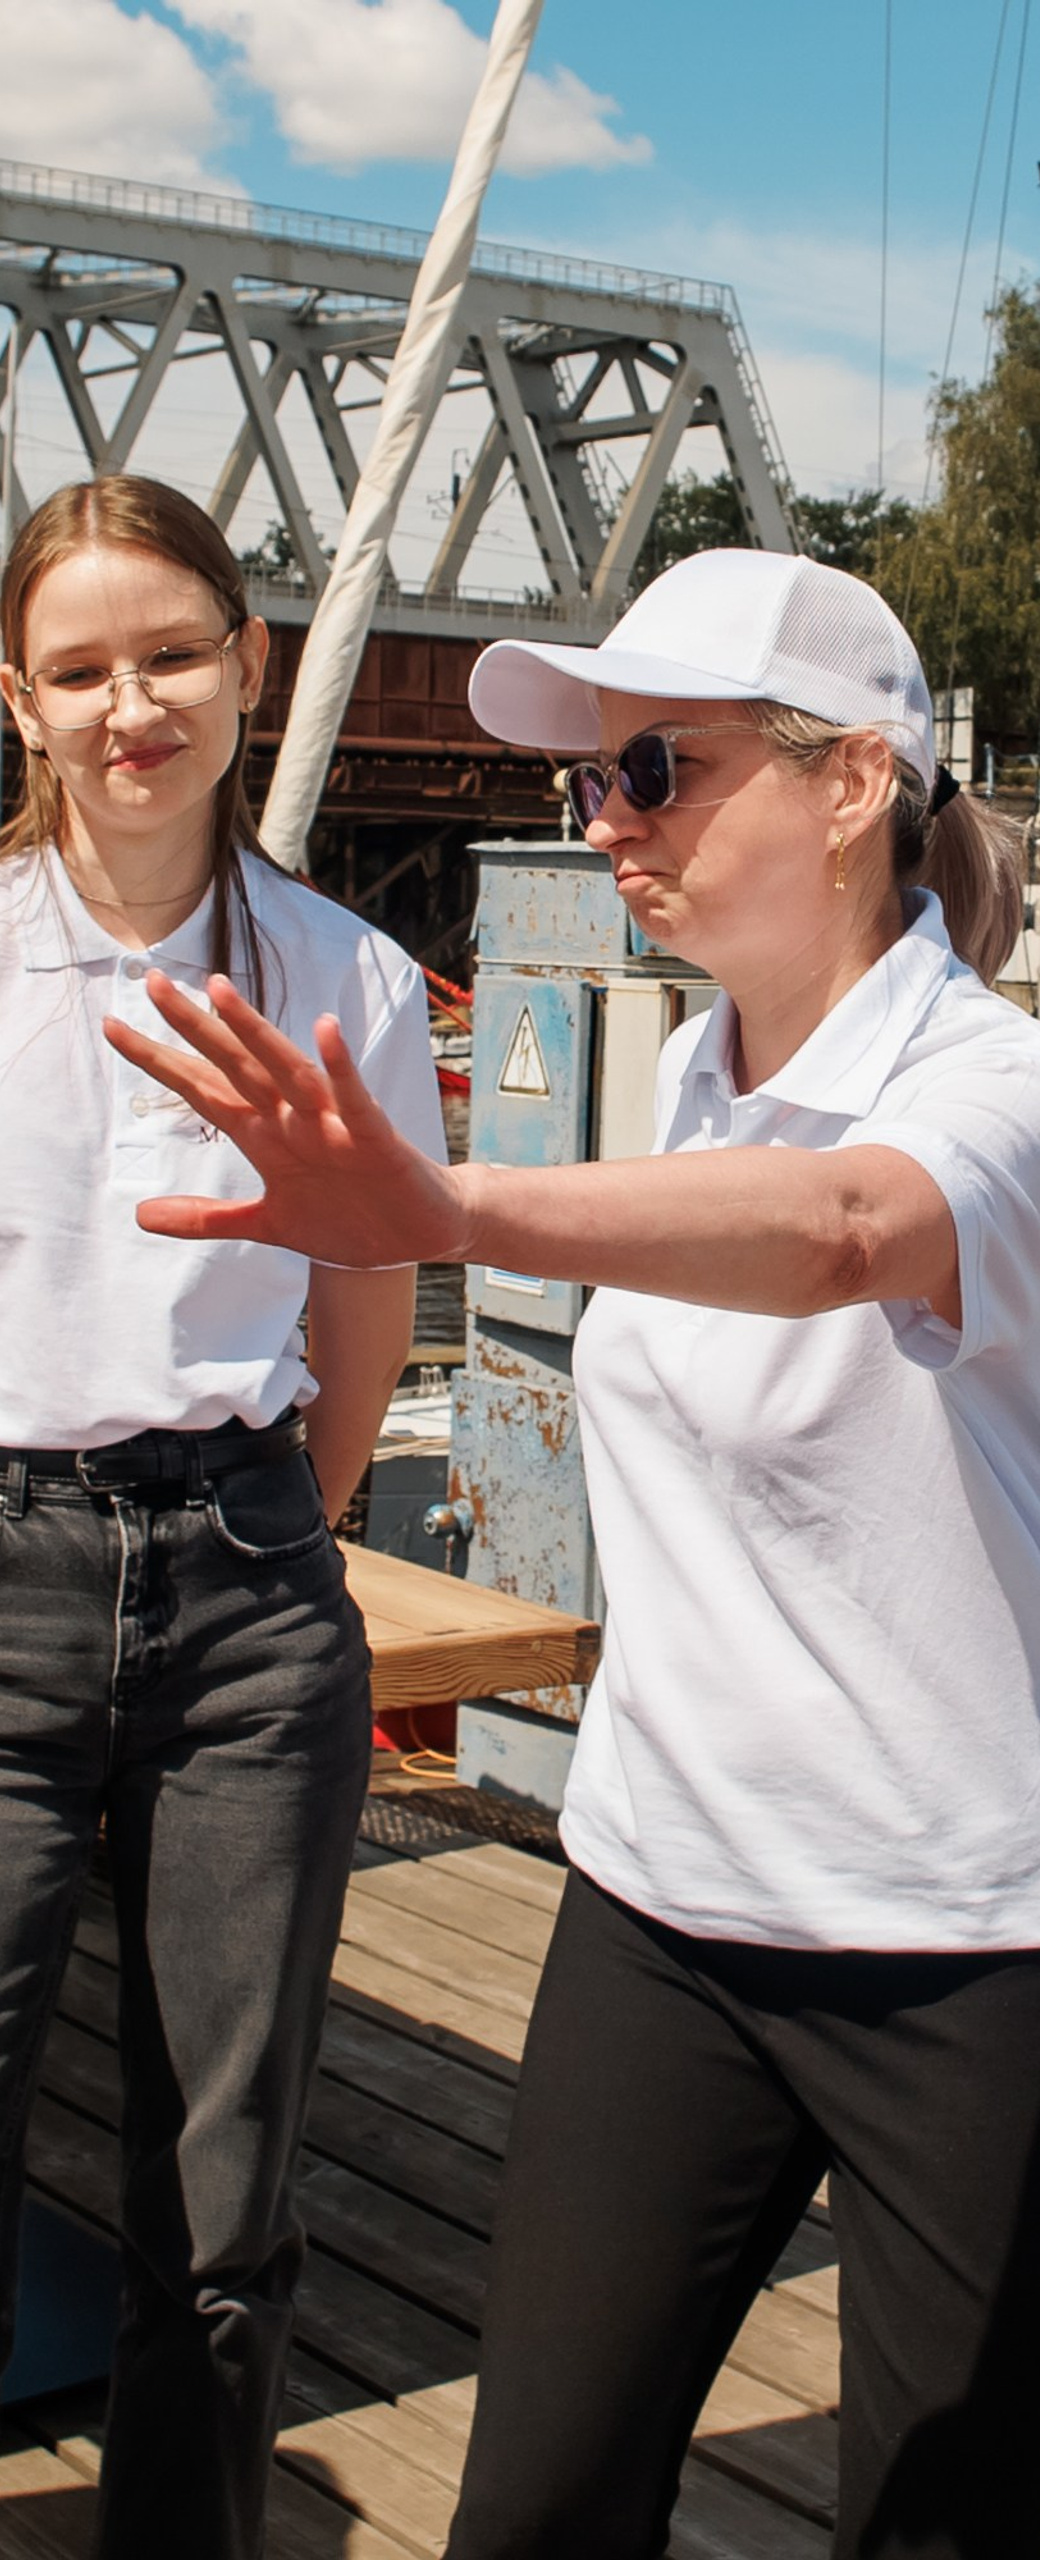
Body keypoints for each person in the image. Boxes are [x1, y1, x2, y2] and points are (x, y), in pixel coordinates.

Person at [105, 547, 1040, 2559]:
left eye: (655, 769)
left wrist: (446, 1206)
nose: (607, 823)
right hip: (668, 1900)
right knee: (535, 2506)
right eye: (589, 781)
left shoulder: (1011, 1090)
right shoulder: (690, 1075)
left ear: (852, 781)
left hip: (976, 1932)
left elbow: (848, 1231)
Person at [0, 475, 444, 2560]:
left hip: (246, 1591)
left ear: (248, 668)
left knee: (222, 2180)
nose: (132, 705)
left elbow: (366, 1297)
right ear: (20, 700)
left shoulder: (346, 977)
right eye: (80, 667)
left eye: (172, 653)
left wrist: (296, 1524)